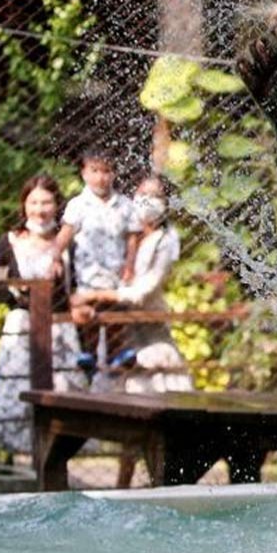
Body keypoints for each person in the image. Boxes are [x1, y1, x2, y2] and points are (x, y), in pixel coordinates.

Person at [71, 174, 192, 487]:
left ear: (167, 203)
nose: (146, 202)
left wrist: (96, 296)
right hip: (120, 334)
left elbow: (143, 291)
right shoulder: (128, 234)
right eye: (141, 194)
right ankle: (124, 488)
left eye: (154, 196)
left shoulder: (166, 240)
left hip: (150, 338)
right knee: (127, 423)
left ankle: (160, 483)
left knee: (150, 415)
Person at [0, 175, 88, 464]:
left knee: (65, 395)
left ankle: (52, 464)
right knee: (9, 393)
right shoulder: (10, 241)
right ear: (24, 205)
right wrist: (16, 288)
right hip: (21, 328)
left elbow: (78, 288)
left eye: (46, 202)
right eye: (34, 202)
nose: (40, 209)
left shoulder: (68, 244)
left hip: (60, 329)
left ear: (57, 205)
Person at [53, 147, 141, 371]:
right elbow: (65, 234)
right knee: (87, 314)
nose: (100, 177)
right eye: (94, 171)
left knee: (113, 315)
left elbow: (132, 238)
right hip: (87, 272)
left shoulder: (125, 205)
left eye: (106, 171)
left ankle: (115, 354)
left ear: (113, 174)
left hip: (115, 271)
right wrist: (54, 257)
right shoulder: (78, 205)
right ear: (84, 173)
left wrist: (130, 266)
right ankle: (88, 353)